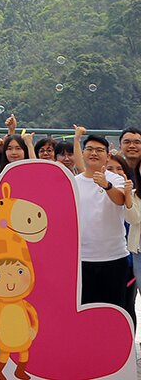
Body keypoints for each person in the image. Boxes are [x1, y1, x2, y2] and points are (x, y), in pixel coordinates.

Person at [72, 131, 135, 317]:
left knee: (114, 311)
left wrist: (106, 185)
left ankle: (114, 346)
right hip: (82, 259)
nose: (93, 153)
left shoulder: (116, 179)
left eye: (99, 150)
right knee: (86, 311)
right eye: (89, 149)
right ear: (83, 153)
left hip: (114, 258)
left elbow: (121, 200)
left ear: (107, 156)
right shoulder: (74, 183)